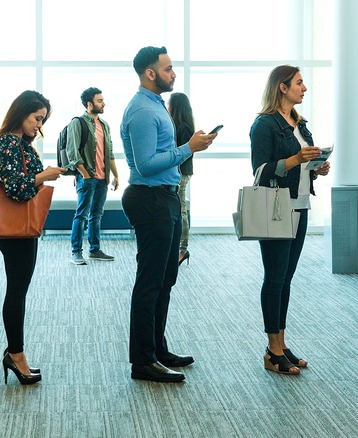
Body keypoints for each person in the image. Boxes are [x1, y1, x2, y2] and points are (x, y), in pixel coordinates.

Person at [121, 46, 217, 382]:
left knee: (165, 280)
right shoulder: (143, 112)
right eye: (168, 68)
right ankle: (142, 360)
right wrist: (188, 148)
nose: (174, 73)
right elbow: (146, 166)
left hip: (166, 197)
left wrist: (187, 147)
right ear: (151, 73)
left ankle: (157, 349)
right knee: (150, 283)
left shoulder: (156, 106)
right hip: (150, 199)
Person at [250, 65, 330, 375]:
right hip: (276, 206)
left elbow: (303, 162)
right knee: (275, 276)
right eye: (298, 83)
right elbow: (260, 170)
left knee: (286, 278)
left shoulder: (299, 122)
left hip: (300, 204)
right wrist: (297, 159)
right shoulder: (264, 125)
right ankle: (272, 350)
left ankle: (281, 343)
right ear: (282, 88)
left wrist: (316, 166)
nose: (304, 88)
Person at [0, 90, 66, 385]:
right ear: (22, 113)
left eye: (42, 120)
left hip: (21, 228)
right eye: (37, 118)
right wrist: (42, 177)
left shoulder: (18, 144)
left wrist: (45, 173)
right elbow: (16, 188)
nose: (39, 125)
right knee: (17, 290)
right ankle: (15, 355)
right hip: (14, 229)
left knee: (19, 288)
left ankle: (16, 353)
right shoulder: (8, 142)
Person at [67, 87, 120, 265]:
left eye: (103, 100)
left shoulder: (104, 125)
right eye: (99, 101)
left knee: (96, 215)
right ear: (89, 104)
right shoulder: (78, 122)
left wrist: (116, 175)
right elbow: (72, 152)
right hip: (87, 177)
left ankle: (95, 250)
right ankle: (76, 252)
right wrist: (84, 174)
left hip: (102, 179)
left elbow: (110, 152)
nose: (103, 103)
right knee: (81, 215)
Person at [168, 92, 195, 266]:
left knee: (181, 210)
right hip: (180, 172)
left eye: (170, 103)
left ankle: (182, 250)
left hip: (181, 172)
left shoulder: (183, 127)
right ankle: (179, 249)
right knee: (179, 209)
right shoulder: (179, 124)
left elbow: (183, 153)